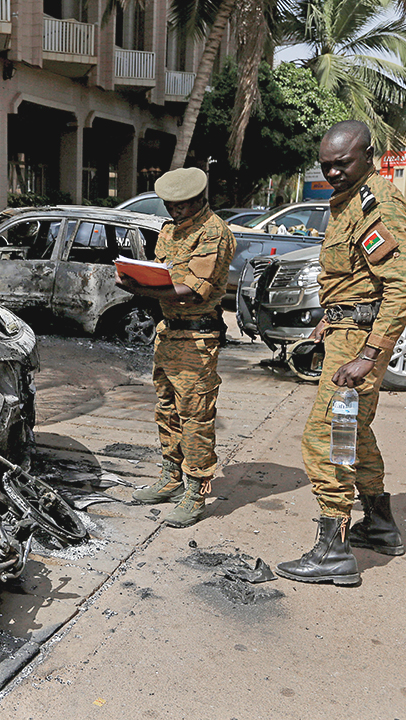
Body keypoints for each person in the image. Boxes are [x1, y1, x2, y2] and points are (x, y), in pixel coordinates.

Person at [275, 120, 406, 586]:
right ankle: (379, 524)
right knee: (354, 432)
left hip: (359, 344)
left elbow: (404, 286)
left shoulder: (376, 203)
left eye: (343, 163)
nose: (333, 172)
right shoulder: (348, 201)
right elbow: (356, 276)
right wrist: (330, 319)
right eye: (326, 166)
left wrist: (369, 353)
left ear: (368, 155)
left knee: (328, 438)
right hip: (345, 332)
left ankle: (333, 549)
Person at [116, 167, 236, 528]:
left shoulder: (213, 233)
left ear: (199, 200)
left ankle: (196, 491)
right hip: (168, 332)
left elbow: (191, 289)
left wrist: (140, 290)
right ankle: (171, 477)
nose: (173, 212)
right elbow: (162, 271)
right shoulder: (169, 231)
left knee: (195, 415)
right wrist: (137, 274)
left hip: (197, 339)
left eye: (180, 206)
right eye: (169, 205)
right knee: (167, 409)